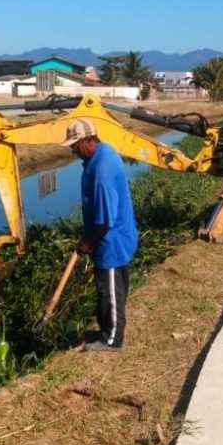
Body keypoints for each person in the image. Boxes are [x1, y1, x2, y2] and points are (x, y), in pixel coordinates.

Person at [61, 119, 138, 352]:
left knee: (110, 290)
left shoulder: (102, 170)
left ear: (89, 140)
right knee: (109, 287)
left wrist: (87, 243)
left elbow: (105, 220)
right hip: (107, 236)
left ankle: (113, 340)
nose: (73, 150)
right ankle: (107, 329)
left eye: (75, 145)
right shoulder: (100, 154)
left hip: (112, 240)